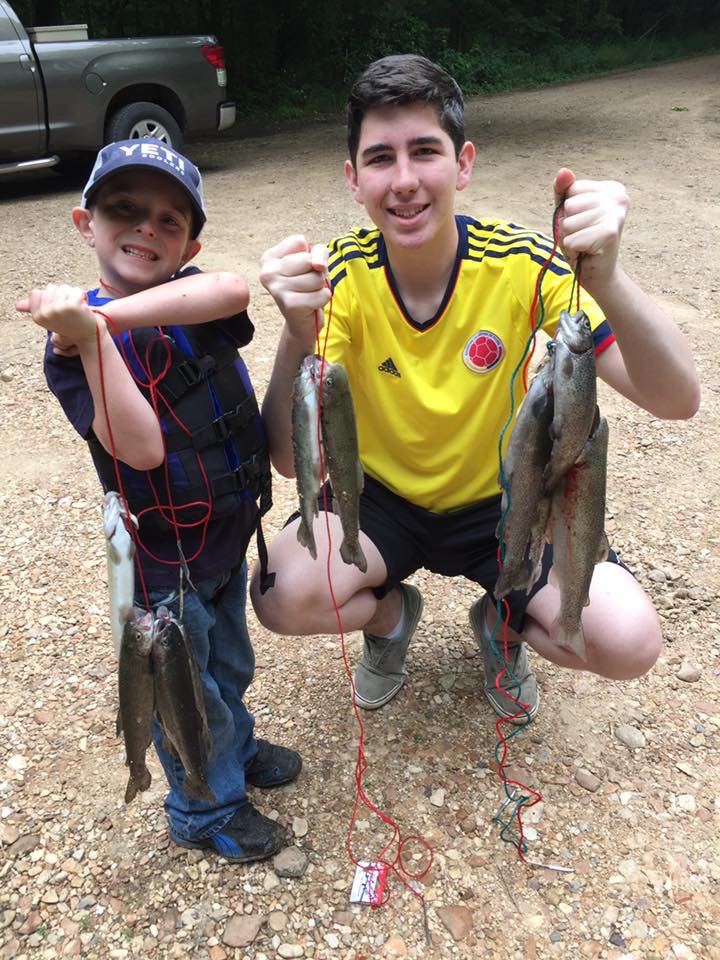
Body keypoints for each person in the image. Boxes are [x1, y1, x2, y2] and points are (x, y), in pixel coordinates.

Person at [249, 53, 700, 722]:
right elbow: (289, 460)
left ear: (463, 164)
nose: (404, 180)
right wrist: (296, 332)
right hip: (379, 502)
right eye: (380, 158)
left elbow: (676, 398)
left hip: (508, 499)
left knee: (626, 640)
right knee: (280, 594)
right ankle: (391, 619)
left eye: (425, 151)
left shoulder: (522, 262)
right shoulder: (336, 276)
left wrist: (607, 279)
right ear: (354, 179)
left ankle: (500, 625)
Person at [18, 138, 301, 862]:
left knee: (230, 667)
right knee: (186, 689)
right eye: (124, 209)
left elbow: (232, 289)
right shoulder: (71, 348)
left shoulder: (188, 298)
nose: (147, 227)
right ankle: (205, 808)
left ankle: (234, 750)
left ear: (188, 245)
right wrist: (90, 339)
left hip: (222, 540)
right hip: (159, 567)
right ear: (86, 224)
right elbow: (140, 448)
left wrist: (106, 317)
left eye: (169, 220)